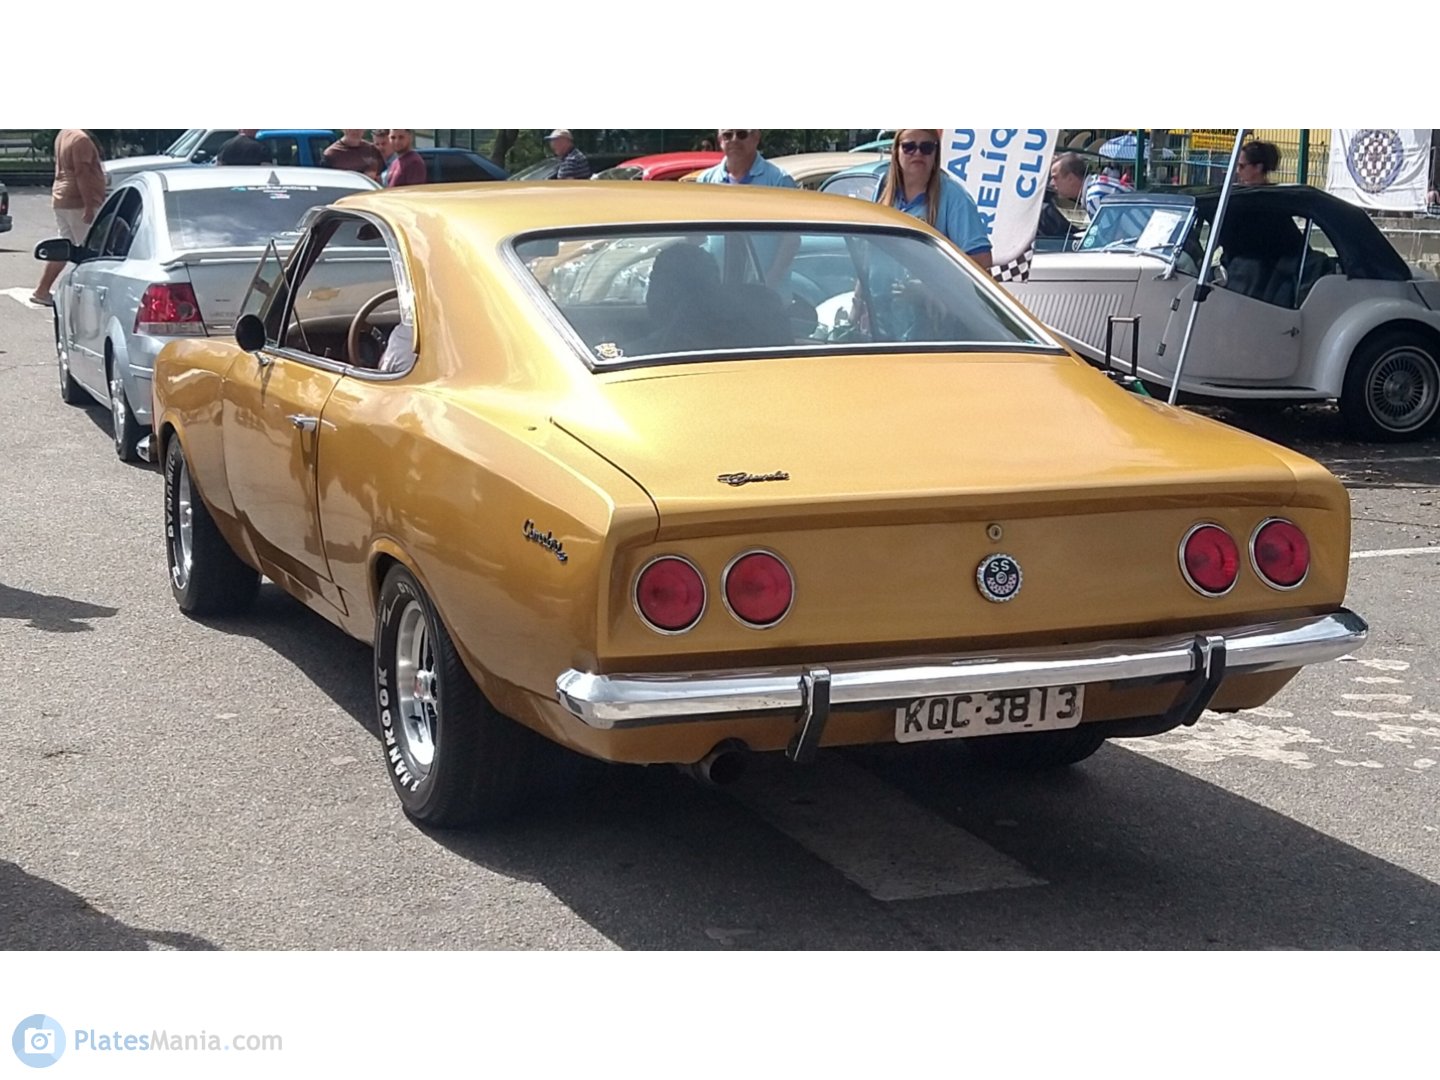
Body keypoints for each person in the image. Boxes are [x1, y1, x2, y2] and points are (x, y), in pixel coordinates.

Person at [874, 128, 992, 269]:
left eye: (927, 147)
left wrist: (933, 275)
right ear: (896, 151)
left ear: (936, 153)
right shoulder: (884, 187)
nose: (918, 153)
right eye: (909, 147)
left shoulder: (954, 196)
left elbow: (982, 259)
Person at [31, 128, 105, 307]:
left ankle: (42, 290)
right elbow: (82, 172)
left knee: (64, 248)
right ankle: (90, 300)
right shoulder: (81, 140)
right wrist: (89, 205)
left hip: (62, 199)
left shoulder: (64, 134)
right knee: (92, 252)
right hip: (78, 202)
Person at [695, 129, 797, 187]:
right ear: (720, 140)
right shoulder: (705, 181)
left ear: (756, 137)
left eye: (741, 134)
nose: (734, 140)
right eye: (727, 135)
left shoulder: (779, 181)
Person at [1050, 152, 1131, 219]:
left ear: (1070, 178)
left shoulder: (1094, 196)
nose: (1052, 183)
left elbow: (1108, 233)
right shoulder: (1098, 184)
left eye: (1055, 178)